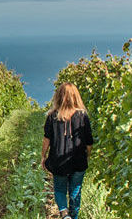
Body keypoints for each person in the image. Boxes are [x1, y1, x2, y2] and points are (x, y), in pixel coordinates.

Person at [41, 82, 94, 219]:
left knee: (59, 189)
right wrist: (87, 155)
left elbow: (47, 139)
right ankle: (73, 216)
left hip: (58, 160)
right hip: (78, 160)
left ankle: (65, 214)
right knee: (75, 190)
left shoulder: (52, 116)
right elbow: (89, 140)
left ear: (58, 96)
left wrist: (43, 156)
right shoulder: (83, 116)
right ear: (76, 97)